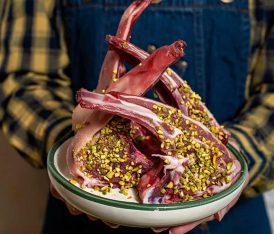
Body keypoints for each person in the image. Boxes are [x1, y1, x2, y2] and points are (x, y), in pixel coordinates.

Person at [0, 0, 273, 233]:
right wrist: (70, 148)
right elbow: (26, 80)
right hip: (83, 211)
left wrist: (231, 160)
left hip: (234, 221)